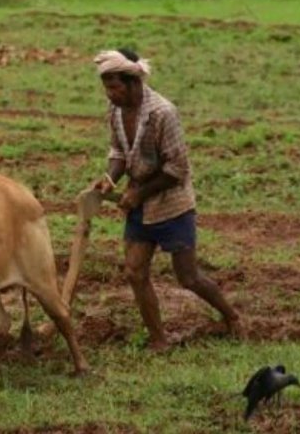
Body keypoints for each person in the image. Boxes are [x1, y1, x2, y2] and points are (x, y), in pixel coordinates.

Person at [92, 48, 243, 350]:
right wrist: (110, 179)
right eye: (106, 88)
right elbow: (119, 151)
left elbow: (177, 168)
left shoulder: (163, 113)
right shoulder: (116, 111)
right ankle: (159, 339)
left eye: (115, 87)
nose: (110, 94)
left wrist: (138, 193)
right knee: (135, 272)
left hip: (172, 205)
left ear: (133, 82)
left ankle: (232, 317)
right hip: (139, 205)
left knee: (188, 277)